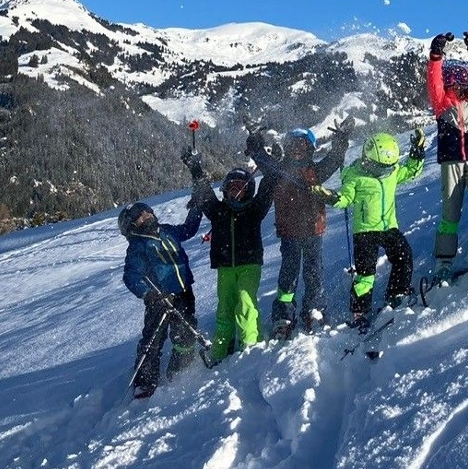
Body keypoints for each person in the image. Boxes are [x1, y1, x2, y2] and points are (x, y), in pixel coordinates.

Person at [247, 121, 352, 338]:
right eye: (292, 145)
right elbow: (260, 156)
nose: (297, 149)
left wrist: (341, 140)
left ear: (310, 149)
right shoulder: (278, 171)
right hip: (290, 233)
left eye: (302, 146)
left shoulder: (315, 170)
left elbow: (335, 159)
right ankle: (284, 315)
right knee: (288, 275)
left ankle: (313, 309)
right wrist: (255, 139)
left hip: (313, 231)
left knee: (313, 273)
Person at [314, 130, 425, 328]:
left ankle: (396, 293)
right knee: (365, 274)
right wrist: (330, 196)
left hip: (389, 227)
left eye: (387, 168)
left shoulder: (391, 172)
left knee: (403, 255)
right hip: (365, 231)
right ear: (367, 160)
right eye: (380, 168)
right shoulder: (355, 176)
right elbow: (345, 198)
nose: (384, 172)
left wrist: (417, 151)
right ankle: (359, 313)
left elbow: (410, 171)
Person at [185, 151, 275, 362]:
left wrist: (266, 159)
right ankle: (220, 349)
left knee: (245, 303)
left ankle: (250, 345)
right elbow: (205, 192)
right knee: (224, 308)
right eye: (231, 186)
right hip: (225, 266)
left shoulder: (254, 209)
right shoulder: (218, 210)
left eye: (240, 188)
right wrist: (195, 169)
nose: (235, 191)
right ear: (225, 189)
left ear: (248, 192)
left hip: (249, 265)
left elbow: (268, 185)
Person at [426, 30, 468, 283]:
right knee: (450, 212)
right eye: (451, 80)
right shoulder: (441, 104)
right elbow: (433, 81)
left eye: (462, 79)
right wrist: (436, 56)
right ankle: (444, 260)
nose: (457, 83)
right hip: (451, 162)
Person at [120, 198, 204, 399]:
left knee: (185, 329)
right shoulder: (138, 245)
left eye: (147, 211)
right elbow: (131, 275)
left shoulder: (165, 231)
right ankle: (145, 380)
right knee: (153, 338)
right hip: (159, 299)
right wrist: (148, 293)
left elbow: (189, 229)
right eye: (140, 216)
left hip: (183, 291)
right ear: (131, 225)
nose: (146, 215)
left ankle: (181, 365)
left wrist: (197, 208)